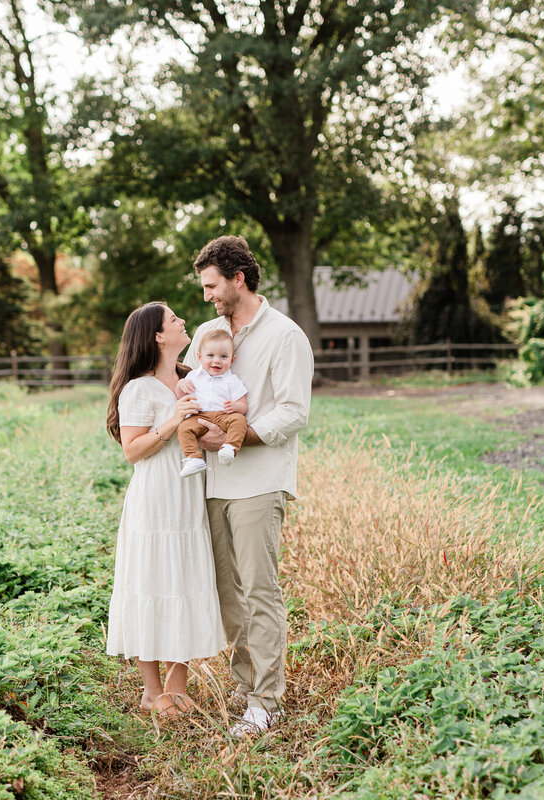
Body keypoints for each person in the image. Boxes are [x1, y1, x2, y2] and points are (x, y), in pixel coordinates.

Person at [183, 235, 315, 737]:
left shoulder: (285, 336)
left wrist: (236, 436)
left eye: (212, 285)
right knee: (226, 593)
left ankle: (266, 701)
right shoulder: (207, 331)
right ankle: (245, 690)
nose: (207, 296)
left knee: (260, 590)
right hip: (214, 482)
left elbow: (293, 411)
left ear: (239, 279)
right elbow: (195, 384)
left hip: (259, 480)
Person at [105, 302, 226, 716]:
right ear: (158, 336)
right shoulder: (138, 388)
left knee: (184, 581)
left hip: (188, 498)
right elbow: (132, 451)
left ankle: (176, 688)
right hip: (155, 499)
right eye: (173, 320)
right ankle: (153, 691)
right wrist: (173, 421)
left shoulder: (190, 378)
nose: (181, 322)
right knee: (152, 584)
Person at [175, 328, 250, 478]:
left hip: (224, 416)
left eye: (223, 356)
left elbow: (243, 405)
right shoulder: (193, 376)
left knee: (240, 420)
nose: (216, 360)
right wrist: (180, 385)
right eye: (210, 355)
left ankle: (230, 447)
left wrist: (236, 407)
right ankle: (193, 458)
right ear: (200, 357)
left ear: (231, 360)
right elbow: (180, 396)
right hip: (198, 416)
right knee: (183, 428)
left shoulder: (232, 380)